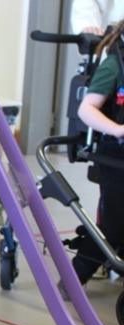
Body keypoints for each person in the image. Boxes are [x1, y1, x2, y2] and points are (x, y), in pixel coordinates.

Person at [72, 20, 124, 284]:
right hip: (117, 155)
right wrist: (117, 130)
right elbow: (86, 109)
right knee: (113, 228)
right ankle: (74, 279)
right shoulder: (115, 65)